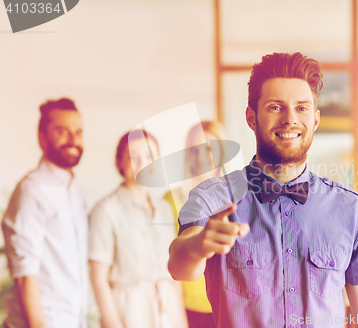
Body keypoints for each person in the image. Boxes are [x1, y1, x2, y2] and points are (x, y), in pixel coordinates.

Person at [168, 52, 358, 328]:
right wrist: (198, 244)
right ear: (252, 118)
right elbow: (179, 266)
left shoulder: (350, 210)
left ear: (315, 120)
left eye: (301, 108)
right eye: (276, 107)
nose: (290, 119)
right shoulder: (212, 198)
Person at [2, 98, 88, 328]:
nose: (73, 139)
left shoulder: (76, 192)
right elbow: (24, 274)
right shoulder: (31, 190)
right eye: (62, 131)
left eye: (78, 132)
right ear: (42, 137)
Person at [89, 130, 188, 328]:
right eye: (133, 157)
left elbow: (173, 272)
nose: (143, 163)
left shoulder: (164, 208)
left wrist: (182, 320)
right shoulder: (106, 210)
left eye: (150, 156)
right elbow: (98, 279)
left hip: (168, 311)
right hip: (131, 313)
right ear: (119, 162)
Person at [164, 121, 225, 328]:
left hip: (230, 306)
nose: (201, 156)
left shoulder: (240, 198)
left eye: (209, 149)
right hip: (188, 310)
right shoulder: (170, 201)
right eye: (195, 150)